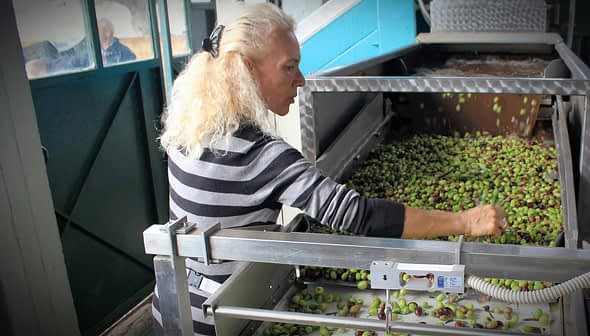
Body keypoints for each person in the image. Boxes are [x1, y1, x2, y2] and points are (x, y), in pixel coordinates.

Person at [153, 3, 507, 335]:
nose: (302, 81)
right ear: (246, 69)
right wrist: (465, 221)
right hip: (223, 320)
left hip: (171, 307)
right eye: (289, 67)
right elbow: (359, 215)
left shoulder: (188, 131)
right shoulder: (262, 157)